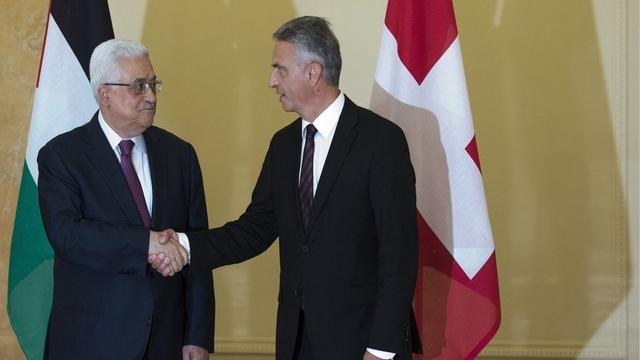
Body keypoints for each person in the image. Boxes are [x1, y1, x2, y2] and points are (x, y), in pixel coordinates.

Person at [151, 16, 420, 360]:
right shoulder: (284, 145)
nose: (270, 81)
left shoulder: (380, 140)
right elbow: (254, 230)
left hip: (363, 342)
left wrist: (381, 349)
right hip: (297, 341)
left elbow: (399, 253)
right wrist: (183, 245)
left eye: (279, 69)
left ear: (313, 72)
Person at [38, 39, 214, 360]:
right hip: (90, 341)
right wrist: (145, 244)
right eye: (138, 86)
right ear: (105, 93)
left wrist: (198, 336)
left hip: (167, 341)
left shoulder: (179, 155)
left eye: (153, 84)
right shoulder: (62, 156)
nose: (151, 96)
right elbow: (68, 236)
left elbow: (197, 248)